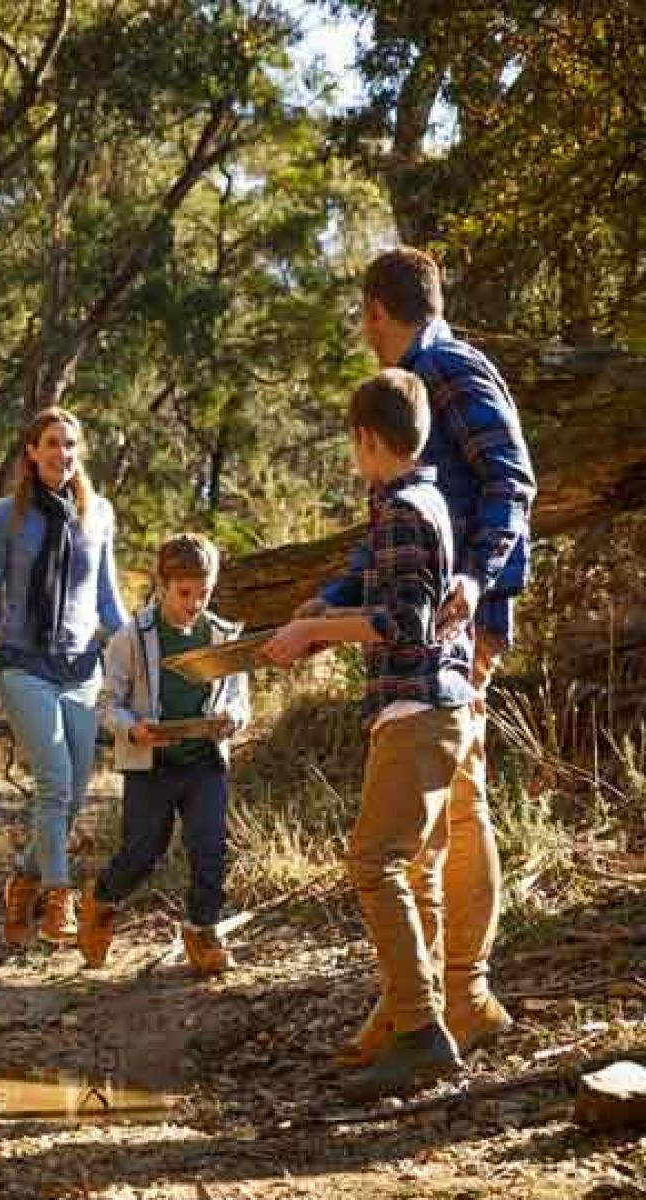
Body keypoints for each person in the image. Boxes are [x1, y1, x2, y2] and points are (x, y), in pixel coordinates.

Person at [302, 248, 537, 1065]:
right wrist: (330, 602)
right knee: (447, 815)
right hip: (431, 615)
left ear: (377, 309)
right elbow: (389, 543)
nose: (364, 335)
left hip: (456, 624)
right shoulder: (412, 386)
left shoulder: (446, 366)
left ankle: (444, 1003)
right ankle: (442, 1001)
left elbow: (511, 483)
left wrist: (478, 584)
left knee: (446, 822)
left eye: (363, 318)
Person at [263, 368, 477, 1099]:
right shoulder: (418, 500)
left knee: (373, 863)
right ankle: (405, 1019)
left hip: (417, 711)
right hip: (434, 709)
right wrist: (319, 619)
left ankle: (422, 1031)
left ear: (365, 438)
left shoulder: (407, 512)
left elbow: (404, 628)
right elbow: (383, 593)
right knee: (411, 870)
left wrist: (315, 631)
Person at [0, 406, 128, 947]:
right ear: (31, 451)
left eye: (70, 444)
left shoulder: (99, 514)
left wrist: (140, 656)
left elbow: (108, 601)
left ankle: (22, 881)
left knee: (71, 797)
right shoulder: (5, 517)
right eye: (51, 443)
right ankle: (58, 897)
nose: (62, 454)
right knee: (53, 781)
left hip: (79, 670)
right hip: (23, 664)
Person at [79, 533, 251, 974]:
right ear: (162, 585)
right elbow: (105, 703)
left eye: (204, 593)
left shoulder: (223, 635)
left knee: (211, 847)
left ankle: (201, 932)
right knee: (142, 853)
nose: (194, 603)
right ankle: (100, 902)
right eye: (184, 593)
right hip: (150, 765)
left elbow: (239, 701)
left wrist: (231, 719)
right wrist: (132, 728)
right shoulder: (132, 637)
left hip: (203, 763)